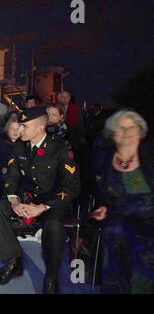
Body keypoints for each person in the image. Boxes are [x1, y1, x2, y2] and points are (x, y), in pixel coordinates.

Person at [0, 107, 81, 294]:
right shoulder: (18, 146)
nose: (19, 129)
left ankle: (51, 277)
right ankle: (14, 261)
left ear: (40, 128)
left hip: (54, 202)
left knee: (55, 224)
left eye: (24, 126)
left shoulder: (61, 147)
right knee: (0, 208)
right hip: (27, 198)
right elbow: (12, 178)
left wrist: (41, 207)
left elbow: (72, 187)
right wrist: (14, 201)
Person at [89, 109, 153, 294]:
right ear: (112, 133)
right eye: (120, 128)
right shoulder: (103, 158)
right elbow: (97, 189)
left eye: (131, 127)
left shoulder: (150, 155)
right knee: (113, 274)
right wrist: (101, 206)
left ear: (140, 131)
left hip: (148, 227)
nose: (126, 132)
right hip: (115, 226)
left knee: (142, 278)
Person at [0, 113, 20, 200]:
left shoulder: (24, 144)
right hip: (1, 178)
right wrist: (1, 168)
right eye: (12, 129)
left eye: (17, 129)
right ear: (7, 130)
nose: (15, 131)